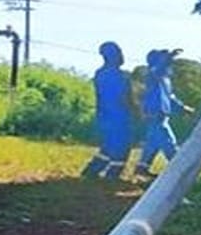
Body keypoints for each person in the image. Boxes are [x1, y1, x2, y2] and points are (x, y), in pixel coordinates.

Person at [134, 48, 191, 180]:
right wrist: (170, 56)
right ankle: (178, 171)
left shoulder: (165, 79)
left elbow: (170, 98)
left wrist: (183, 108)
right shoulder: (153, 75)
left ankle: (141, 170)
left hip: (162, 115)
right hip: (155, 115)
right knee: (168, 143)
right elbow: (160, 67)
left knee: (152, 144)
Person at [81, 41, 135, 178]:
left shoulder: (100, 73)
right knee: (121, 146)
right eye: (119, 53)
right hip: (118, 115)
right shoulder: (119, 76)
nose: (122, 56)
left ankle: (92, 170)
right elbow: (124, 97)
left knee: (109, 146)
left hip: (106, 115)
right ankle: (112, 173)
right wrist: (135, 111)